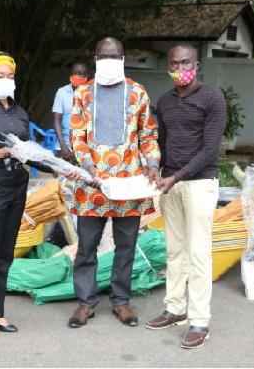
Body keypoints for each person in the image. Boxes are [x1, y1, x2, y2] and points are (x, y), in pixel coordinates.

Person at [0, 52, 80, 345]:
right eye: (0, 76)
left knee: (5, 251)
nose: (6, 81)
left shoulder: (20, 113)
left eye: (10, 76)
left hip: (16, 186)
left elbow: (30, 155)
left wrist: (60, 169)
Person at [68, 37, 161, 328]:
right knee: (86, 247)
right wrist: (89, 166)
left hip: (129, 184)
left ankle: (121, 302)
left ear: (123, 59)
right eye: (104, 56)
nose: (109, 60)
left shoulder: (138, 93)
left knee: (126, 246)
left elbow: (148, 135)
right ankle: (85, 303)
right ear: (95, 59)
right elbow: (77, 137)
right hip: (91, 186)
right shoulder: (82, 94)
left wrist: (154, 164)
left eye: (114, 56)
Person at [146, 44, 226, 349]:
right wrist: (157, 170)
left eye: (185, 63)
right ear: (168, 66)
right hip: (171, 184)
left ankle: (200, 320)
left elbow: (209, 150)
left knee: (198, 253)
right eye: (174, 63)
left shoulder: (212, 98)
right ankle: (175, 308)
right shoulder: (165, 101)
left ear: (197, 64)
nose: (180, 69)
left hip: (199, 183)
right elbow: (162, 144)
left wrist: (175, 177)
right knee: (174, 250)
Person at [52, 61, 89, 162]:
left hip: (87, 148)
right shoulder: (62, 92)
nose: (76, 76)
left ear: (86, 76)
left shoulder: (92, 93)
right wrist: (63, 147)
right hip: (66, 146)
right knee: (67, 176)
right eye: (74, 73)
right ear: (70, 75)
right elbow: (56, 121)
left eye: (80, 73)